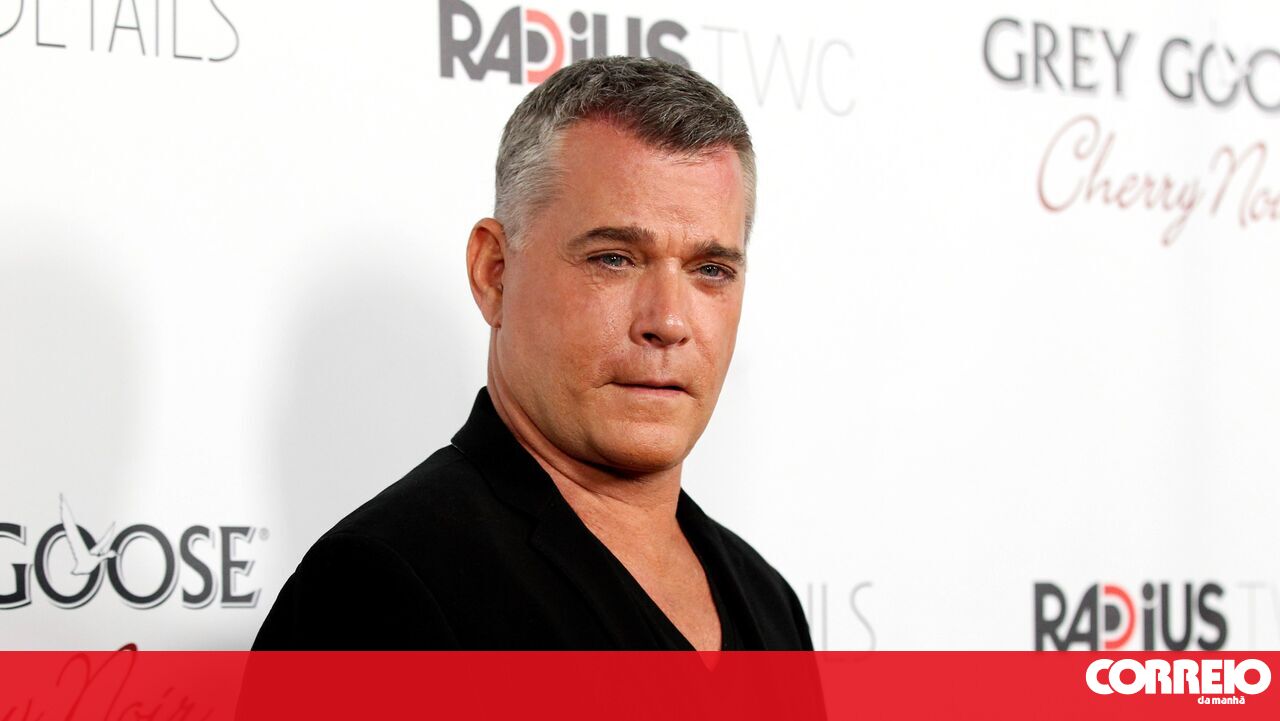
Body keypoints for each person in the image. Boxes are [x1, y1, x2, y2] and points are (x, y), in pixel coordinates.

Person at [252, 56, 813, 651]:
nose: (668, 322)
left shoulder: (769, 602)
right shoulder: (375, 588)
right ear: (495, 273)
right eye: (614, 259)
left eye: (711, 269)